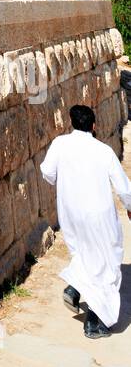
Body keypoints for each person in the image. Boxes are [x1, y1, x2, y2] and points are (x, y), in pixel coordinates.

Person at [40, 104, 131, 339]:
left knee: (82, 253)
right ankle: (94, 322)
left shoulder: (60, 144)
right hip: (98, 216)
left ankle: (75, 287)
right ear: (94, 125)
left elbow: (48, 173)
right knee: (106, 263)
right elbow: (123, 187)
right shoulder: (103, 151)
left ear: (72, 123)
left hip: (70, 214)